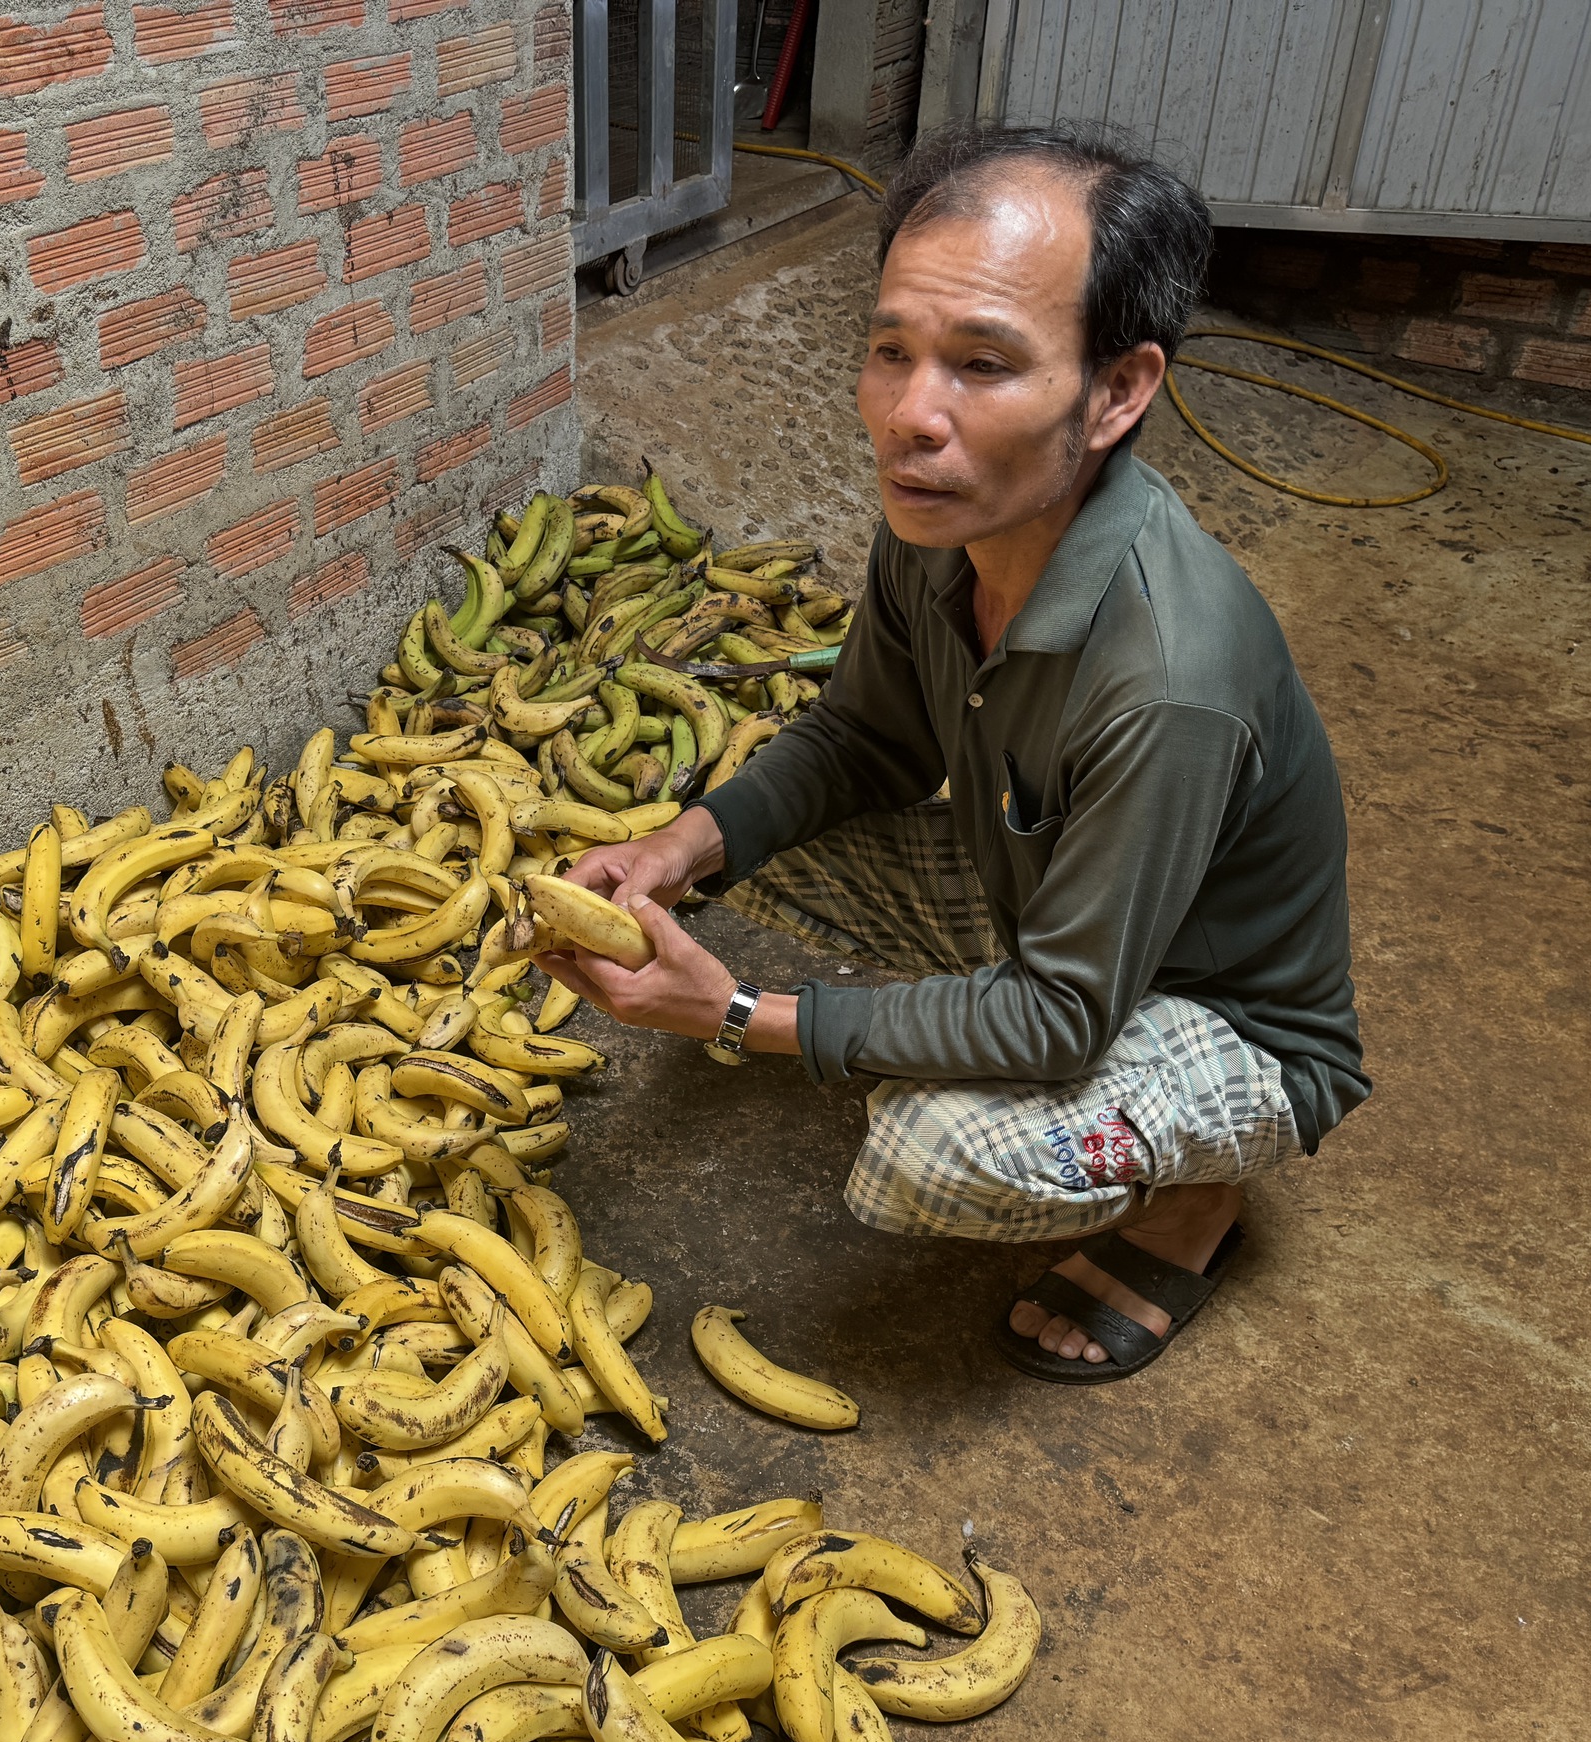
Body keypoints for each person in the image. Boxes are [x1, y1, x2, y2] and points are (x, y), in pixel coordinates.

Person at [538, 122, 1369, 1384]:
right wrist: (676, 845)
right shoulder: (944, 526)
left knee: (928, 1158)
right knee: (738, 844)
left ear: (1117, 391)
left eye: (982, 364)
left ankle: (1199, 1198)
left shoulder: (1168, 677)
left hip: (1221, 1012)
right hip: (1047, 909)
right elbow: (863, 739)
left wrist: (739, 1016)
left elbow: (1054, 1017)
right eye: (890, 353)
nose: (909, 418)